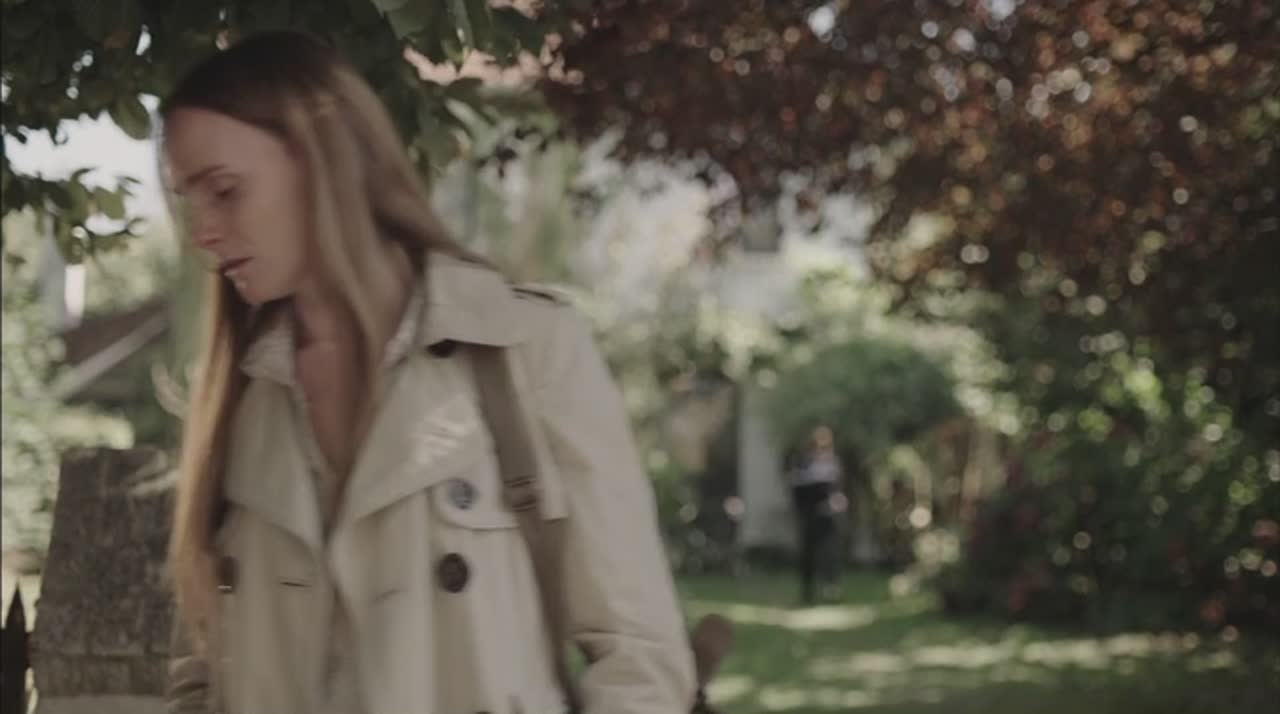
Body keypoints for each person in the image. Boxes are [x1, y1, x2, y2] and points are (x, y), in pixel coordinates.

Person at [161, 31, 695, 714]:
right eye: (189, 200)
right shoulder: (240, 395)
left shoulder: (527, 348)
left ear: (325, 162)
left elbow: (640, 656)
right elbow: (201, 673)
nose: (201, 232)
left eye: (225, 191)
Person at [786, 425, 845, 604]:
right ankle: (808, 593)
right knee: (808, 555)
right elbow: (796, 489)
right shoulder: (803, 464)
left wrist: (837, 502)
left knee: (830, 553)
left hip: (828, 516)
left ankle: (831, 589)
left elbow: (838, 490)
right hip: (809, 515)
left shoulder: (833, 463)